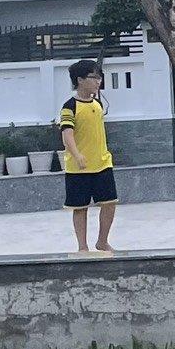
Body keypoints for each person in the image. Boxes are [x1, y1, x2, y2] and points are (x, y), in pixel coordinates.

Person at [58, 58, 121, 256]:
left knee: (109, 203)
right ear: (80, 80)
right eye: (94, 77)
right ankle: (82, 246)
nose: (98, 81)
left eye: (99, 77)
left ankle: (102, 241)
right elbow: (67, 135)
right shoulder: (69, 106)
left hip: (102, 162)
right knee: (80, 208)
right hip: (79, 167)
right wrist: (77, 155)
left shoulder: (98, 104)